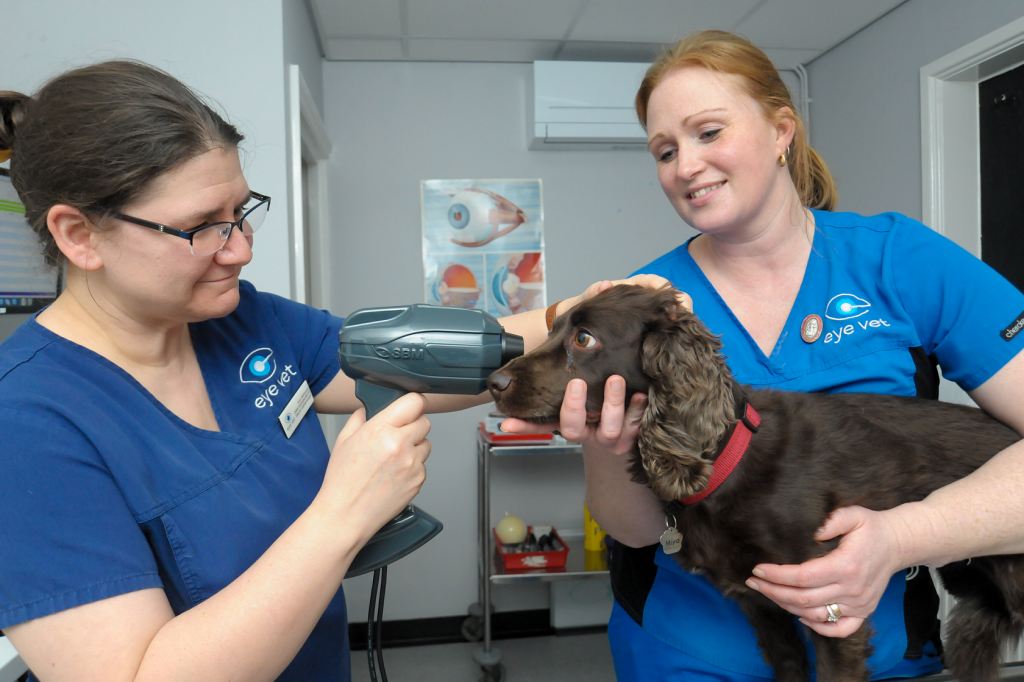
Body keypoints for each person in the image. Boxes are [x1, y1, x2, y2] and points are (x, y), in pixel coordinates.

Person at [0, 60, 665, 682]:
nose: (240, 250)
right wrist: (344, 511)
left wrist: (574, 315)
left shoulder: (242, 320)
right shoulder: (28, 422)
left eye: (241, 212)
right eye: (202, 227)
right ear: (79, 235)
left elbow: (416, 359)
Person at [504, 30, 1024, 680]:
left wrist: (903, 538)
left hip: (874, 658)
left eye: (708, 132)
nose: (684, 165)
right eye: (664, 150)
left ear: (783, 131)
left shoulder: (902, 261)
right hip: (685, 657)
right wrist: (608, 447)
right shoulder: (647, 306)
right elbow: (635, 531)